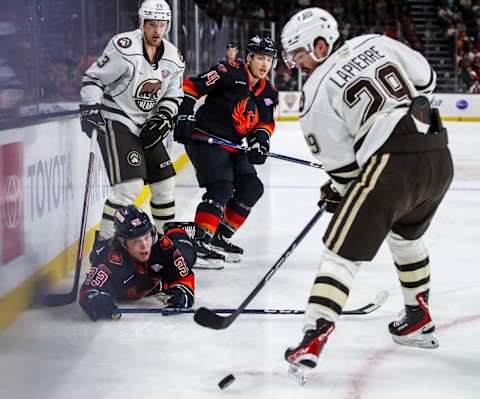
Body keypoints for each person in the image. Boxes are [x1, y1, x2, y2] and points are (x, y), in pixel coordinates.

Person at [280, 7, 453, 377]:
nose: (296, 64)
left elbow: (344, 170)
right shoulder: (373, 42)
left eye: (299, 54)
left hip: (392, 163)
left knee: (340, 251)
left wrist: (340, 193)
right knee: (404, 236)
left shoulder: (313, 93)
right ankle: (418, 317)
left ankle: (314, 335)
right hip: (437, 154)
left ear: (320, 44)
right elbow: (427, 79)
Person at [79, 0, 184, 251]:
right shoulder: (123, 46)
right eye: (151, 24)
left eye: (161, 24)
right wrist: (90, 106)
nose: (157, 31)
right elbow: (93, 78)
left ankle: (162, 249)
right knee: (129, 188)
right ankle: (103, 247)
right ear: (142, 23)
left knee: (164, 185)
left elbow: (173, 94)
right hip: (118, 120)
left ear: (168, 25)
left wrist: (163, 118)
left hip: (147, 124)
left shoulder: (173, 57)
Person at [173, 35, 278, 264]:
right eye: (260, 58)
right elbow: (192, 85)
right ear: (249, 57)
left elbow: (264, 123)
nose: (264, 64)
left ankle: (218, 236)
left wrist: (260, 143)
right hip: (205, 138)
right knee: (221, 186)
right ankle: (199, 241)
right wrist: (185, 113)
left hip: (232, 145)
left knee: (252, 187)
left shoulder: (268, 92)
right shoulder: (228, 70)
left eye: (269, 60)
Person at [79, 204, 198, 321]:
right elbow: (88, 290)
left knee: (189, 255)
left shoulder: (164, 246)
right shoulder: (110, 258)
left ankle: (175, 229)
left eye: (147, 237)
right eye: (136, 241)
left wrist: (183, 291)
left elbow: (185, 276)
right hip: (136, 279)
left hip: (154, 281)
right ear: (123, 243)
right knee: (95, 255)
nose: (144, 246)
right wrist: (94, 300)